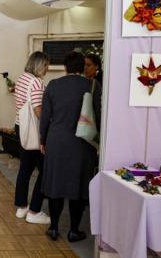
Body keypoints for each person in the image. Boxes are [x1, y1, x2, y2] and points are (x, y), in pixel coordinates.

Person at [40, 51, 101, 242]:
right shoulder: (92, 85)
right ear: (82, 67)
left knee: (55, 184)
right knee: (79, 186)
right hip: (82, 143)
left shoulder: (53, 85)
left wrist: (43, 140)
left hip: (56, 141)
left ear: (65, 67)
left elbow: (45, 117)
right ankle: (74, 230)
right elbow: (98, 116)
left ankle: (54, 227)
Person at [13, 51, 51, 225]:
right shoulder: (36, 82)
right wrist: (49, 126)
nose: (47, 69)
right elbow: (38, 111)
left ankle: (21, 207)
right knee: (45, 170)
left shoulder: (23, 78)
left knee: (25, 169)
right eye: (45, 65)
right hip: (33, 130)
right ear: (38, 65)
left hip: (20, 126)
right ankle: (34, 210)